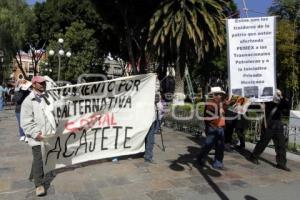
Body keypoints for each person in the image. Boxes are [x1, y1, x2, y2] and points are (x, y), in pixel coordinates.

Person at [20, 76, 53, 196]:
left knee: (40, 157)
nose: (42, 85)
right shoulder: (28, 101)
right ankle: (39, 185)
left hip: (47, 133)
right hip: (37, 136)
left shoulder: (47, 97)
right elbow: (25, 121)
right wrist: (35, 133)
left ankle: (32, 175)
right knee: (39, 157)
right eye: (40, 83)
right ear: (33, 84)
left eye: (43, 83)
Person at [249, 89, 291, 171]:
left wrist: (281, 97)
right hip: (268, 124)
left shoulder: (281, 102)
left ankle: (281, 163)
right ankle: (253, 156)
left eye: (278, 94)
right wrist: (261, 106)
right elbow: (255, 105)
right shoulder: (267, 101)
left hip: (278, 125)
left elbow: (288, 105)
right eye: (276, 94)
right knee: (263, 142)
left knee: (281, 145)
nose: (277, 96)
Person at [197, 87, 226, 169]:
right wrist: (219, 109)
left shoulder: (221, 103)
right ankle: (200, 158)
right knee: (208, 145)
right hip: (212, 127)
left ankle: (218, 162)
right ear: (214, 95)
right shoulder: (210, 103)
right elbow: (210, 113)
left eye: (221, 94)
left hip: (221, 127)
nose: (220, 96)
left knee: (220, 146)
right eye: (218, 94)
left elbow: (225, 112)